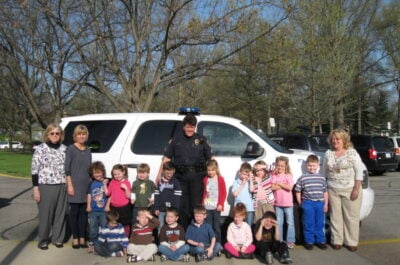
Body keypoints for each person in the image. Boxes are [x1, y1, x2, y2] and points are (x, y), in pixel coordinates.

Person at [157, 113, 213, 228]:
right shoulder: (176, 139)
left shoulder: (201, 139)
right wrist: (159, 175)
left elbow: (211, 158)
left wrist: (216, 174)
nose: (190, 129)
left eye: (192, 127)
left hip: (197, 177)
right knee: (181, 205)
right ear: (183, 126)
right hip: (180, 177)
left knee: (195, 205)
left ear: (195, 127)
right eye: (187, 126)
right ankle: (182, 231)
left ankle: (195, 230)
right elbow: (166, 158)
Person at [322, 129, 363, 252]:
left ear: (344, 140)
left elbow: (359, 172)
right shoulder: (328, 153)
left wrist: (356, 188)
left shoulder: (352, 153)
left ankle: (351, 241)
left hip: (350, 188)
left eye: (337, 139)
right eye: (333, 139)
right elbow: (324, 173)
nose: (334, 141)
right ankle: (337, 240)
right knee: (335, 216)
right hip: (333, 189)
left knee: (351, 217)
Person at [31, 123, 67, 250]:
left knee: (60, 214)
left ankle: (58, 239)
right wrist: (36, 189)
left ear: (61, 135)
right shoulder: (40, 149)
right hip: (45, 185)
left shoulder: (65, 149)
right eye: (52, 133)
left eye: (57, 133)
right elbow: (35, 170)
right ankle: (43, 240)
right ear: (47, 134)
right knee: (46, 215)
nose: (55, 135)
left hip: (62, 185)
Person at [65, 124, 92, 248]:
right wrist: (69, 185)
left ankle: (82, 238)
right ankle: (75, 238)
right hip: (74, 185)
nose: (81, 136)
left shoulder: (88, 150)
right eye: (79, 134)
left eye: (84, 134)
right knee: (74, 213)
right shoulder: (71, 148)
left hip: (86, 185)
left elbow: (90, 168)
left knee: (83, 213)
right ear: (75, 136)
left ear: (86, 136)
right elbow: (67, 169)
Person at [294, 154, 328, 250]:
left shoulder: (322, 178)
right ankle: (309, 241)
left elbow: (325, 192)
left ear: (318, 165)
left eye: (314, 165)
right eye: (309, 165)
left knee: (319, 223)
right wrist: (300, 202)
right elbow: (298, 191)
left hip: (319, 203)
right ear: (306, 166)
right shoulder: (303, 178)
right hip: (308, 203)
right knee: (308, 223)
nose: (311, 168)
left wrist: (325, 204)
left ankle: (320, 240)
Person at [271, 156, 295, 249]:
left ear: (286, 166)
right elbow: (272, 187)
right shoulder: (274, 175)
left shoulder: (288, 175)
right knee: (279, 222)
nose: (280, 167)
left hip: (288, 203)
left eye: (282, 166)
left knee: (290, 222)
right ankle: (279, 239)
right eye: (278, 165)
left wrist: (280, 184)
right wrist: (283, 185)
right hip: (278, 203)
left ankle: (290, 240)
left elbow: (290, 187)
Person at [201, 159, 227, 243]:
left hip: (216, 207)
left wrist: (221, 204)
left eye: (212, 170)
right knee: (208, 226)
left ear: (216, 170)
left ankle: (218, 244)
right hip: (207, 206)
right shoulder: (205, 179)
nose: (210, 172)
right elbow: (204, 192)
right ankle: (209, 243)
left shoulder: (220, 179)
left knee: (216, 227)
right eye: (208, 170)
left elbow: (223, 193)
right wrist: (203, 204)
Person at [86, 161, 109, 250]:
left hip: (103, 211)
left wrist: (107, 206)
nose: (96, 175)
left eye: (98, 172)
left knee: (104, 227)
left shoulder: (106, 181)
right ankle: (92, 242)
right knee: (93, 228)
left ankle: (102, 243)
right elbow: (89, 195)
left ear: (103, 172)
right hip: (93, 210)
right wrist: (88, 205)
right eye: (94, 173)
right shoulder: (91, 183)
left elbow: (109, 194)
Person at [154, 162, 182, 232]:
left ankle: (171, 241)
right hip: (161, 210)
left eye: (171, 173)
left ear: (174, 171)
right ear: (163, 171)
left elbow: (177, 197)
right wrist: (156, 208)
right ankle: (161, 241)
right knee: (160, 226)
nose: (169, 175)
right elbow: (156, 195)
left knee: (171, 226)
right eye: (167, 173)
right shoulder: (159, 181)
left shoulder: (176, 182)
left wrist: (175, 209)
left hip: (171, 210)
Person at [106, 164, 132, 237]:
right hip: (114, 207)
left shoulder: (127, 183)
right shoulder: (112, 182)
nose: (117, 176)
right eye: (115, 174)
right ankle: (115, 237)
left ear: (123, 172)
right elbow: (108, 193)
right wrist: (105, 185)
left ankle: (125, 238)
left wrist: (126, 188)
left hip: (124, 207)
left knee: (125, 224)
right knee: (114, 223)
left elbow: (128, 196)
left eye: (119, 174)